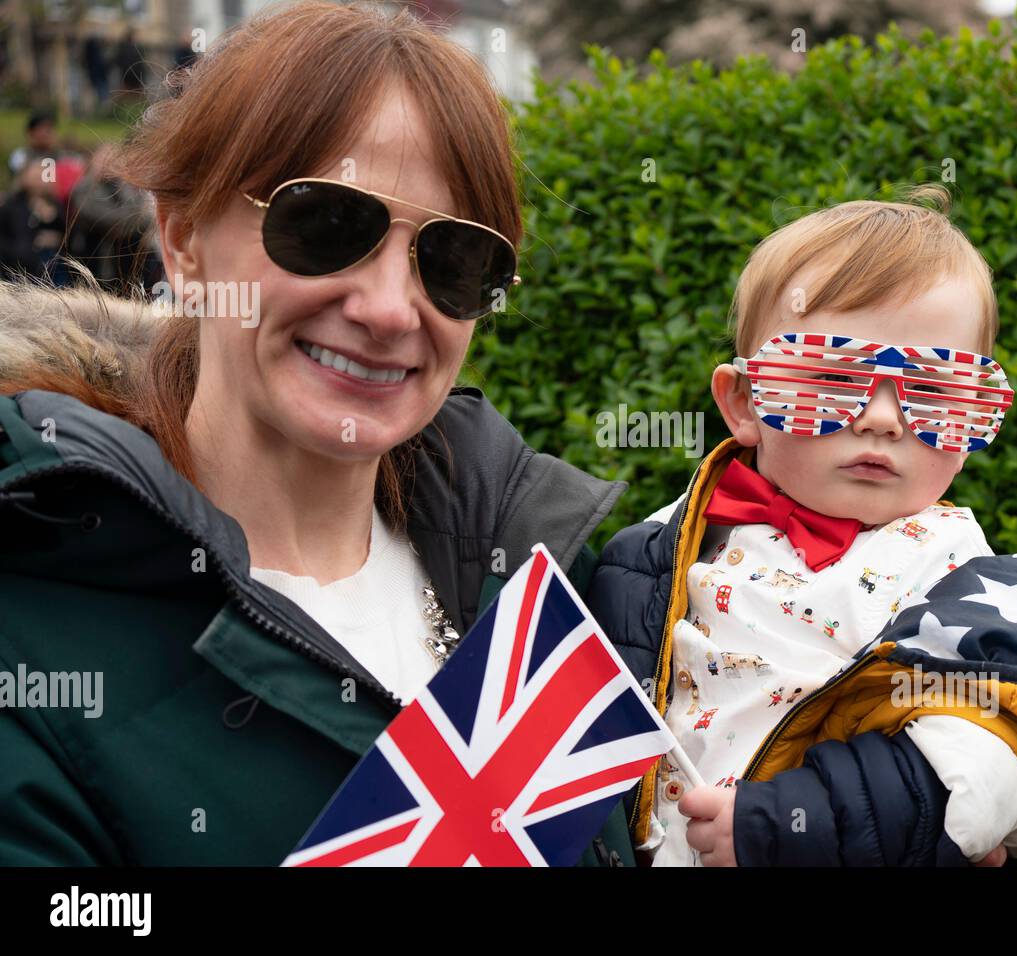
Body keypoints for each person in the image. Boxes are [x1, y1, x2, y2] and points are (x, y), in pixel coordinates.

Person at [0, 1, 631, 866]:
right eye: (327, 225)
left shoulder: (548, 583)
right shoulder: (33, 638)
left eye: (452, 260)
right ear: (182, 238)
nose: (387, 309)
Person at [588, 192, 1017, 866]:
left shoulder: (967, 580)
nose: (882, 418)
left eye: (936, 391)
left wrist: (792, 829)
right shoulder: (656, 553)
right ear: (745, 403)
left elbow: (1005, 770)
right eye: (828, 378)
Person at [66, 144, 158, 295]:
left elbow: (147, 218)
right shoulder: (84, 189)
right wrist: (132, 217)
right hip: (94, 267)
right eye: (104, 158)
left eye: (114, 159)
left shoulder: (124, 188)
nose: (110, 163)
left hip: (127, 271)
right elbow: (106, 220)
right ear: (93, 161)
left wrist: (130, 217)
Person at [0, 157, 69, 285]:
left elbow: (68, 235)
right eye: (35, 176)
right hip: (17, 270)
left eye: (42, 176)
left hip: (51, 270)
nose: (39, 181)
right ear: (24, 177)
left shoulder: (55, 205)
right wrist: (31, 242)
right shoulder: (11, 205)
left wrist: (53, 221)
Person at [6, 110, 57, 178]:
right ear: (30, 133)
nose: (45, 134)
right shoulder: (20, 155)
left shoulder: (61, 156)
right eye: (40, 130)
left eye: (48, 129)